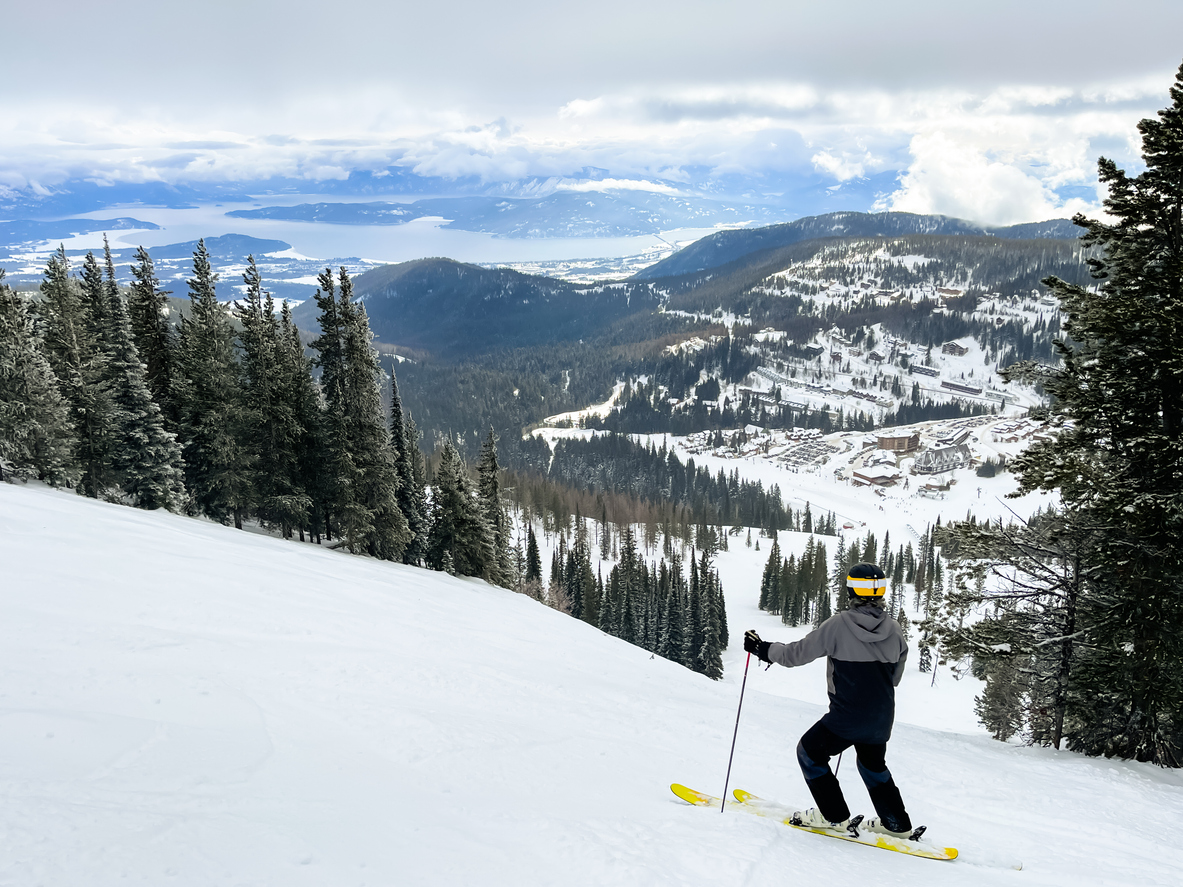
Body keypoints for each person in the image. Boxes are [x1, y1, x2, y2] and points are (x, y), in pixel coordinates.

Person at [743, 562, 915, 839]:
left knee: (809, 753)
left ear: (850, 589)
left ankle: (832, 815)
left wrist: (762, 649)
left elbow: (794, 655)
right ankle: (897, 824)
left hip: (847, 716)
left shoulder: (838, 625)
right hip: (882, 716)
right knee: (872, 765)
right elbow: (894, 678)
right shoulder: (894, 629)